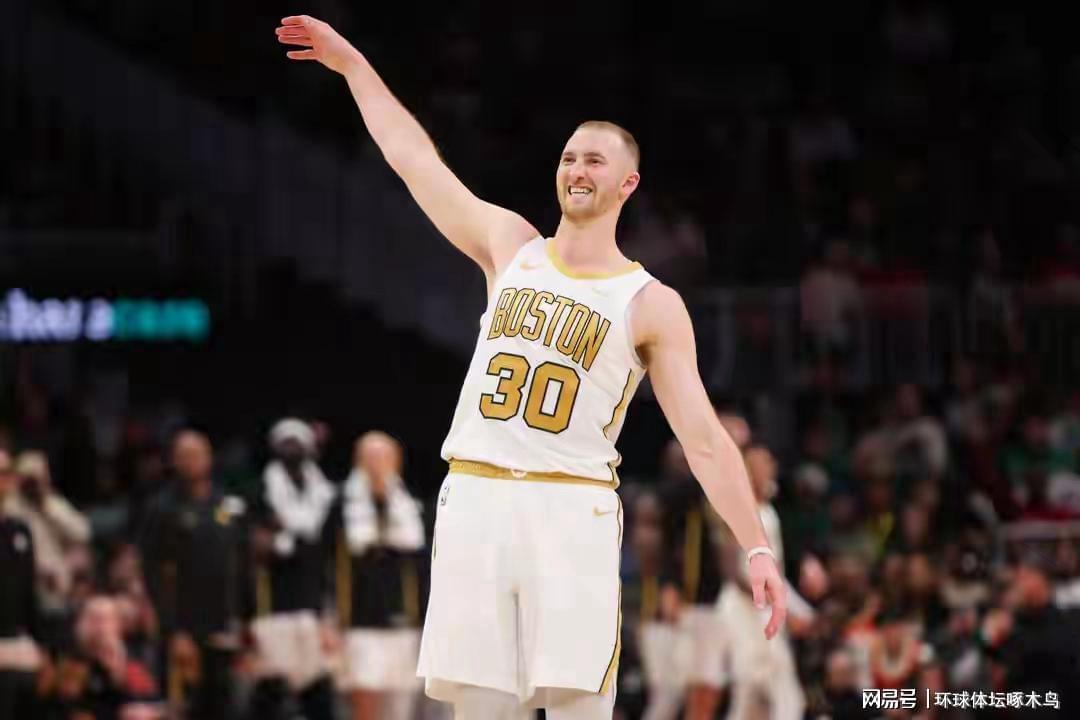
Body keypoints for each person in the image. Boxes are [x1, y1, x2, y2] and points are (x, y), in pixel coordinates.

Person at [275, 16, 787, 719]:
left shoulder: (650, 303)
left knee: (579, 706)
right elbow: (414, 161)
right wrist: (354, 67)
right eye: (569, 157)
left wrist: (756, 547)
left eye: (594, 161)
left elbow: (703, 439)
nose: (577, 170)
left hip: (570, 508)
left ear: (628, 182)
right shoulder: (511, 245)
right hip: (477, 499)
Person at [138, 430, 248, 720]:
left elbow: (241, 564)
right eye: (184, 455)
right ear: (173, 461)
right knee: (184, 707)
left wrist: (244, 620)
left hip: (224, 625)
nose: (191, 461)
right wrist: (174, 630)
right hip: (184, 629)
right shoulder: (161, 508)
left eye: (197, 454)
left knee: (224, 705)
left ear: (209, 459)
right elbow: (153, 573)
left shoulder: (227, 504)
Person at [248, 418, 337, 720]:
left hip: (312, 606)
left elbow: (328, 552)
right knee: (272, 692)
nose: (292, 449)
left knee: (318, 689)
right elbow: (253, 544)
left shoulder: (325, 495)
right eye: (286, 444)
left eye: (297, 443)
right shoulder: (260, 491)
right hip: (272, 607)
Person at [334, 431, 427, 720]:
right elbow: (325, 564)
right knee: (364, 705)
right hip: (358, 622)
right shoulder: (341, 504)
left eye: (383, 456)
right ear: (357, 461)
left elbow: (423, 566)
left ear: (396, 462)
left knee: (400, 709)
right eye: (370, 456)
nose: (377, 463)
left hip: (404, 622)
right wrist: (328, 619)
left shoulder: (411, 505)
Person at [0, 448, 44, 718]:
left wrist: (39, 644)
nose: (3, 479)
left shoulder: (20, 530)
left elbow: (29, 592)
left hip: (17, 643)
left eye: (6, 473)